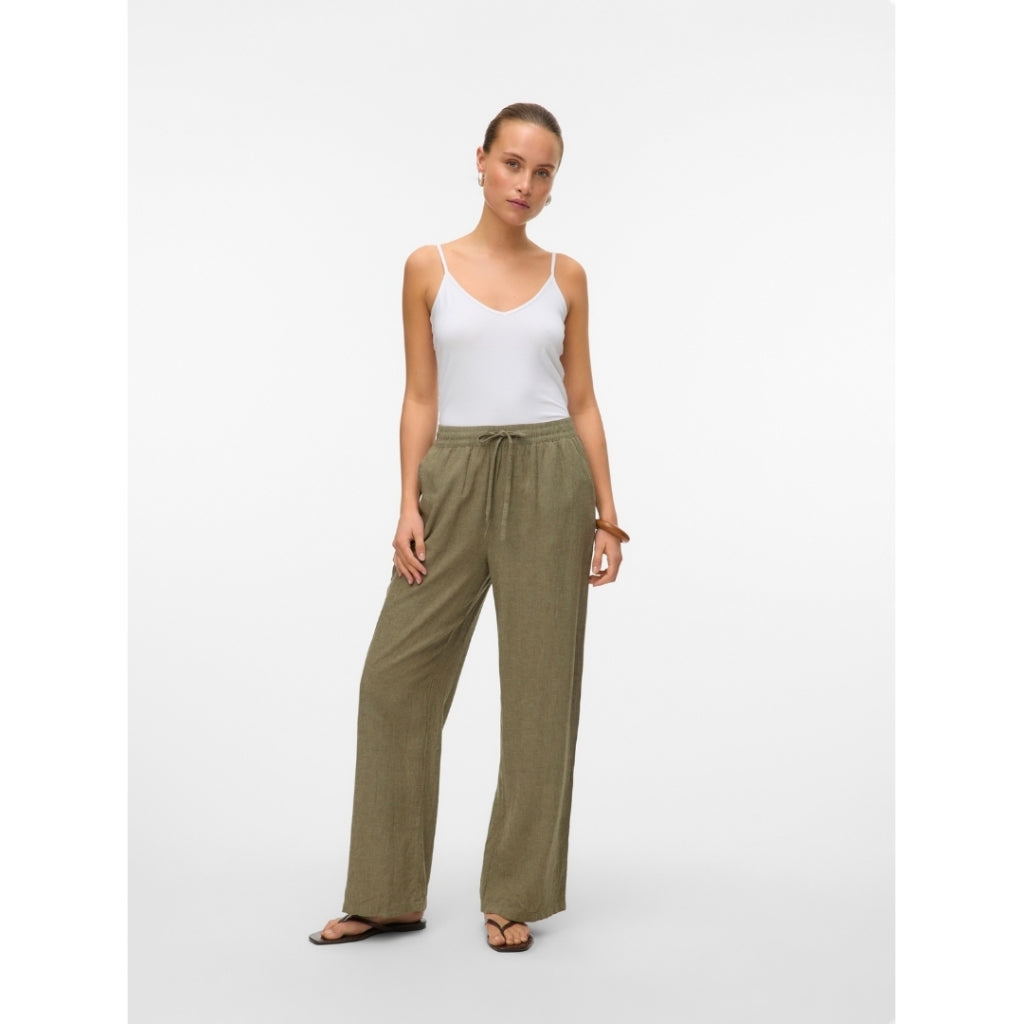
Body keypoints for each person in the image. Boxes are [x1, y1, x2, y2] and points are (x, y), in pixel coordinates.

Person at [308, 101, 628, 953]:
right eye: (513, 163)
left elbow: (583, 400)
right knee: (393, 683)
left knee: (539, 694)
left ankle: (515, 894)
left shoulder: (566, 277)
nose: (525, 183)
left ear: (554, 186)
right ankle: (385, 895)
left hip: (551, 477)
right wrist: (408, 502)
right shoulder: (428, 267)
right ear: (481, 160)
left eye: (544, 171)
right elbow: (420, 395)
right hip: (450, 476)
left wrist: (608, 514)